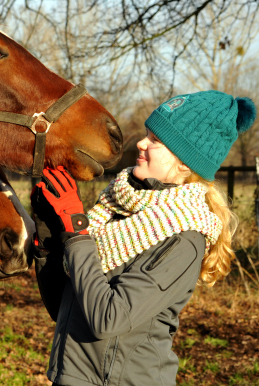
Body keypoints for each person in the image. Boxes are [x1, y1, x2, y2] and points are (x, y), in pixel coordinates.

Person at [31, 91, 256, 386]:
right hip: (72, 375)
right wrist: (51, 232)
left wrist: (76, 229)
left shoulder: (184, 238)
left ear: (185, 163)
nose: (141, 142)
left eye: (156, 140)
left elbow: (107, 318)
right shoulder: (117, 206)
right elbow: (66, 304)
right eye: (147, 134)